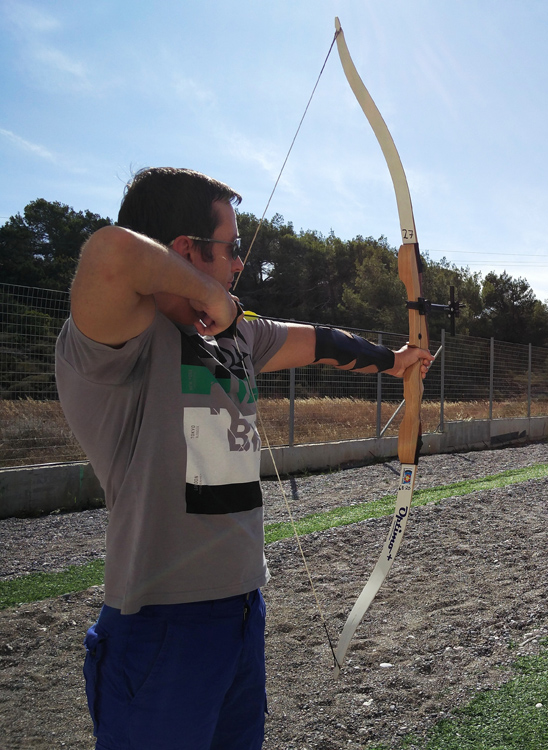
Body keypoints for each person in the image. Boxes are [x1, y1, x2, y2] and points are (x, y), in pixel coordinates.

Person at [54, 167, 433, 750]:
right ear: (186, 249)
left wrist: (395, 359)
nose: (238, 266)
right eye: (230, 249)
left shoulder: (237, 339)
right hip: (160, 625)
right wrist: (213, 299)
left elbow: (321, 342)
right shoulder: (122, 342)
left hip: (241, 612)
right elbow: (110, 252)